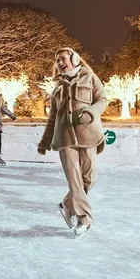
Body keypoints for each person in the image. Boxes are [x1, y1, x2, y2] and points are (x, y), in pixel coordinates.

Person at [37, 47, 107, 237]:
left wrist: (92, 112)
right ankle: (84, 219)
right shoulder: (57, 89)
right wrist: (44, 142)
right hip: (65, 139)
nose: (60, 63)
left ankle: (67, 203)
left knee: (89, 179)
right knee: (75, 181)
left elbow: (102, 100)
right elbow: (52, 119)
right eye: (57, 60)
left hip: (88, 136)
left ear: (74, 59)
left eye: (63, 58)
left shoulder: (90, 78)